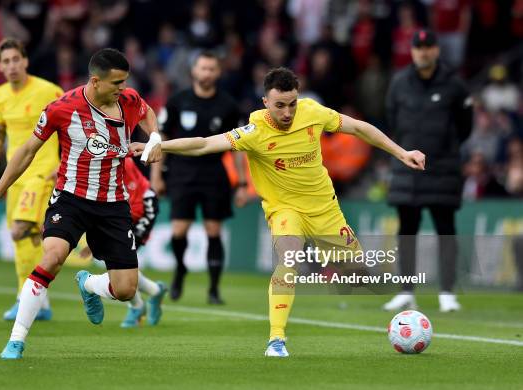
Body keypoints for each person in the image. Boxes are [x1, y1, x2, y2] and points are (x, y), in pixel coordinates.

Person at [137, 67, 426, 357]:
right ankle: (276, 339)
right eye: (279, 106)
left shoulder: (313, 112)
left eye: (292, 104)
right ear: (265, 102)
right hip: (284, 209)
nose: (287, 112)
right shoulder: (255, 131)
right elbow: (204, 144)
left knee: (356, 272)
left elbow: (360, 128)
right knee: (289, 261)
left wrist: (402, 153)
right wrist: (162, 145)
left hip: (324, 208)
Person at [0, 48, 160, 359]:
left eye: (124, 82)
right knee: (53, 257)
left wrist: (154, 137)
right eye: (116, 83)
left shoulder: (127, 100)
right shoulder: (62, 108)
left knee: (126, 289)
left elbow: (147, 112)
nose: (122, 89)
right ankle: (16, 340)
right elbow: (25, 152)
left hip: (113, 205)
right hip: (71, 199)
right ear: (96, 81)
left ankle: (88, 284)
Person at [383, 29, 473, 313]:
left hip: (442, 168)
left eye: (428, 47)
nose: (423, 52)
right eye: (418, 47)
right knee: (406, 230)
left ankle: (447, 293)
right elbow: (392, 121)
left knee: (445, 230)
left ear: (436, 50)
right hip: (407, 167)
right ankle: (406, 290)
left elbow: (465, 127)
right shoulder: (399, 83)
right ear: (411, 51)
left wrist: (442, 150)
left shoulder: (455, 86)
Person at [0, 38, 63, 321]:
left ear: (25, 61)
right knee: (24, 239)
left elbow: (73, 124)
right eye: (6, 61)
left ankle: (23, 298)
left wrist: (63, 162)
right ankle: (40, 302)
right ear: (0, 66)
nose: (12, 66)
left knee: (19, 230)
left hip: (42, 171)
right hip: (15, 177)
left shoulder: (48, 91)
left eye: (16, 59)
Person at [153, 50, 246, 304]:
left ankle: (214, 289)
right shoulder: (177, 101)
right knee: (178, 230)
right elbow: (159, 139)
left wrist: (241, 182)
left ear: (218, 72)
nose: (206, 73)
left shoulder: (228, 105)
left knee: (213, 230)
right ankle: (180, 269)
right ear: (194, 70)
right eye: (202, 68)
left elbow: (237, 146)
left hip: (214, 174)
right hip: (181, 173)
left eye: (211, 69)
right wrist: (157, 175)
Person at [79, 157, 167, 328]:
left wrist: (111, 235)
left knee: (122, 262)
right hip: (121, 215)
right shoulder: (94, 162)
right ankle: (155, 291)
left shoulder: (121, 162)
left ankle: (137, 307)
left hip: (142, 209)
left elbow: (133, 202)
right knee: (121, 266)